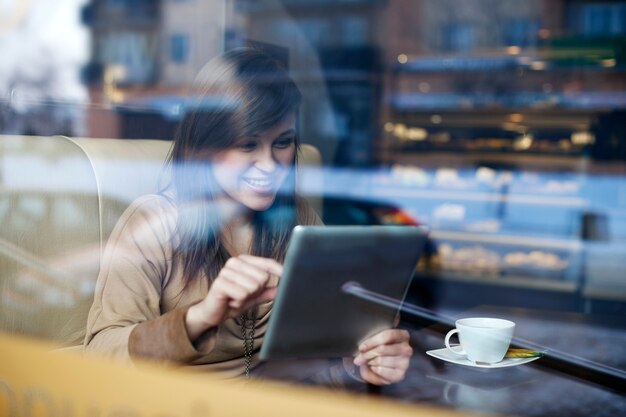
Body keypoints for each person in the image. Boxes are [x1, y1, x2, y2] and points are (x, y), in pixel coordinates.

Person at [84, 47, 412, 385]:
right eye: (247, 145)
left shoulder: (296, 215)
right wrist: (199, 318)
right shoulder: (155, 223)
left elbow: (342, 321)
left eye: (282, 143)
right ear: (205, 145)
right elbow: (100, 353)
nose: (270, 166)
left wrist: (368, 356)